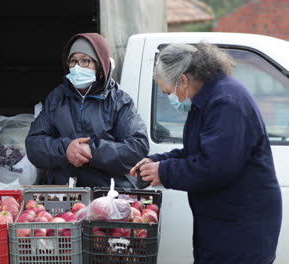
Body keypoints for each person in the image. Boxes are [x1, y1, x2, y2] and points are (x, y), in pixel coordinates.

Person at [131, 42, 282, 263]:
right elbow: (195, 151)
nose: (171, 99)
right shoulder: (207, 99)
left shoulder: (226, 102)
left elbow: (215, 167)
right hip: (222, 220)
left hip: (241, 225)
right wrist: (156, 161)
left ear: (183, 80)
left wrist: (164, 171)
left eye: (168, 92)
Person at [25, 33, 149, 188]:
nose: (77, 67)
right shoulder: (57, 98)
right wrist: (66, 150)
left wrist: (92, 151)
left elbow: (138, 146)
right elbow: (34, 145)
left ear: (100, 66)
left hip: (108, 194)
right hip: (65, 194)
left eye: (85, 61)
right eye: (73, 61)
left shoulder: (119, 101)